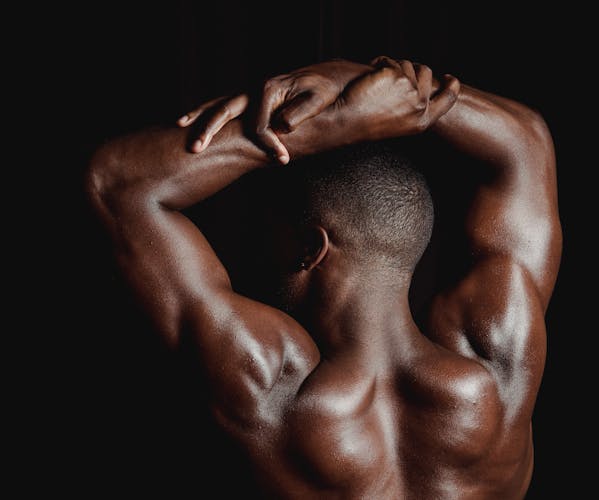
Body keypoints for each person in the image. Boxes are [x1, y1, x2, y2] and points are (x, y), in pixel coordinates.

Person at [86, 56, 561, 499]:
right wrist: (359, 82)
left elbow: (117, 183)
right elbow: (526, 141)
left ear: (311, 249)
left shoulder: (270, 391)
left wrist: (333, 122)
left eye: (270, 237)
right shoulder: (498, 369)